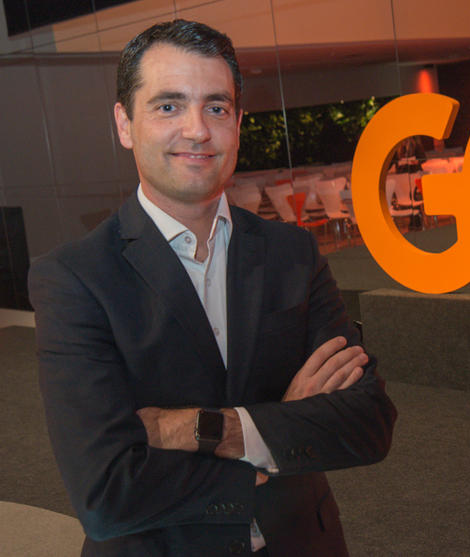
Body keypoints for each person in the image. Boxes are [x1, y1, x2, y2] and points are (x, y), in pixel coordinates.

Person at [28, 19, 396, 557]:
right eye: (168, 106)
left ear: (238, 124)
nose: (197, 130)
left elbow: (368, 423)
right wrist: (278, 430)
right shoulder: (75, 278)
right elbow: (107, 494)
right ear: (125, 124)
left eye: (217, 108)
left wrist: (200, 430)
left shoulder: (293, 253)